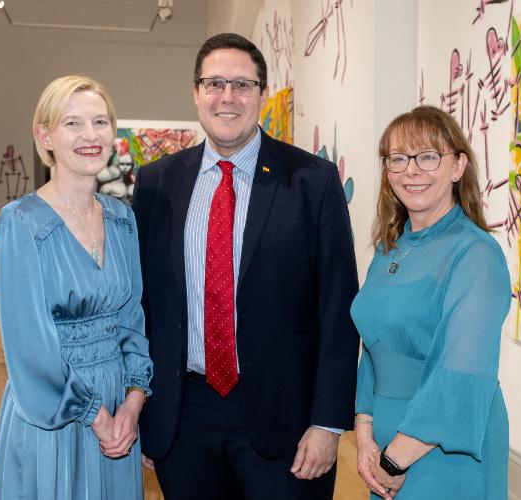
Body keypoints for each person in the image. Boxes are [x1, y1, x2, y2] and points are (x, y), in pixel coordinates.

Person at [132, 33, 359, 499]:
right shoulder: (157, 184)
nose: (227, 97)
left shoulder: (312, 182)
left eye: (242, 84)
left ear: (261, 94)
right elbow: (142, 305)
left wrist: (328, 422)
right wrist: (146, 412)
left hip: (288, 421)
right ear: (196, 92)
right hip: (184, 416)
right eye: (215, 83)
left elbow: (338, 308)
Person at [0, 75, 152, 499]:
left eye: (100, 122)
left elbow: (132, 319)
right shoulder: (20, 223)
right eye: (72, 124)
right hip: (56, 410)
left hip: (118, 408)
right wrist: (94, 415)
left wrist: (132, 404)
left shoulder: (122, 219)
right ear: (44, 135)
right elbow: (28, 347)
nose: (90, 135)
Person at [352, 106, 511, 499]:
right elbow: (373, 344)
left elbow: (461, 375)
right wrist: (365, 431)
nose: (411, 171)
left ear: (458, 166)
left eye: (428, 157)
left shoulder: (475, 254)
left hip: (442, 445)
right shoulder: (390, 248)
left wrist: (395, 459)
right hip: (387, 440)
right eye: (398, 159)